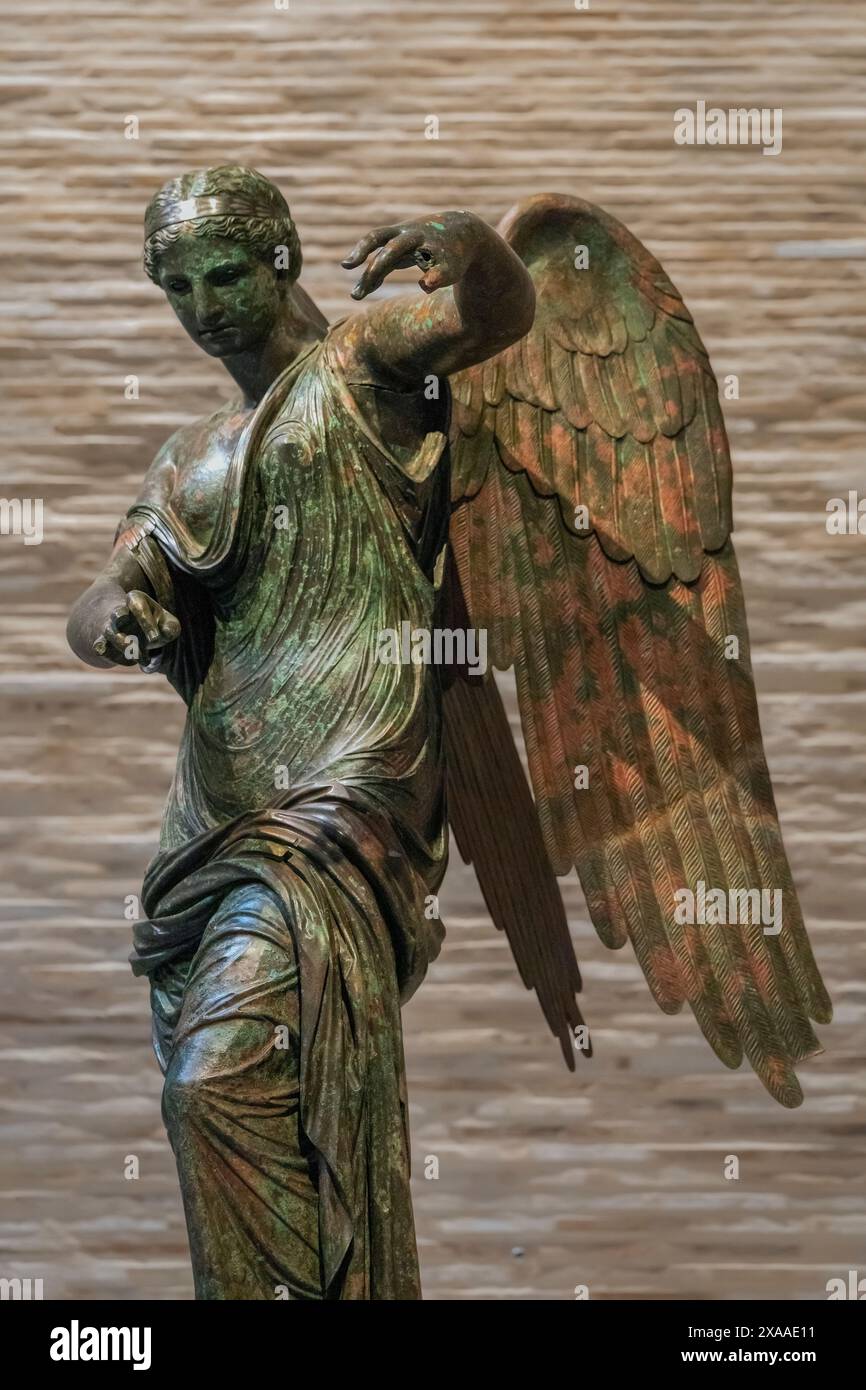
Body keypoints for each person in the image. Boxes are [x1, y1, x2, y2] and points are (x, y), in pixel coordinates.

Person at [66, 164, 535, 1300]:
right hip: (216, 808)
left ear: (280, 257)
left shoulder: (365, 364)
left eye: (224, 271)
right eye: (175, 284)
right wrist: (110, 620)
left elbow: (493, 312)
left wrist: (470, 241)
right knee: (211, 1087)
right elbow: (102, 596)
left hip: (344, 788)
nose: (203, 303)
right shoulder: (188, 458)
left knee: (212, 1084)